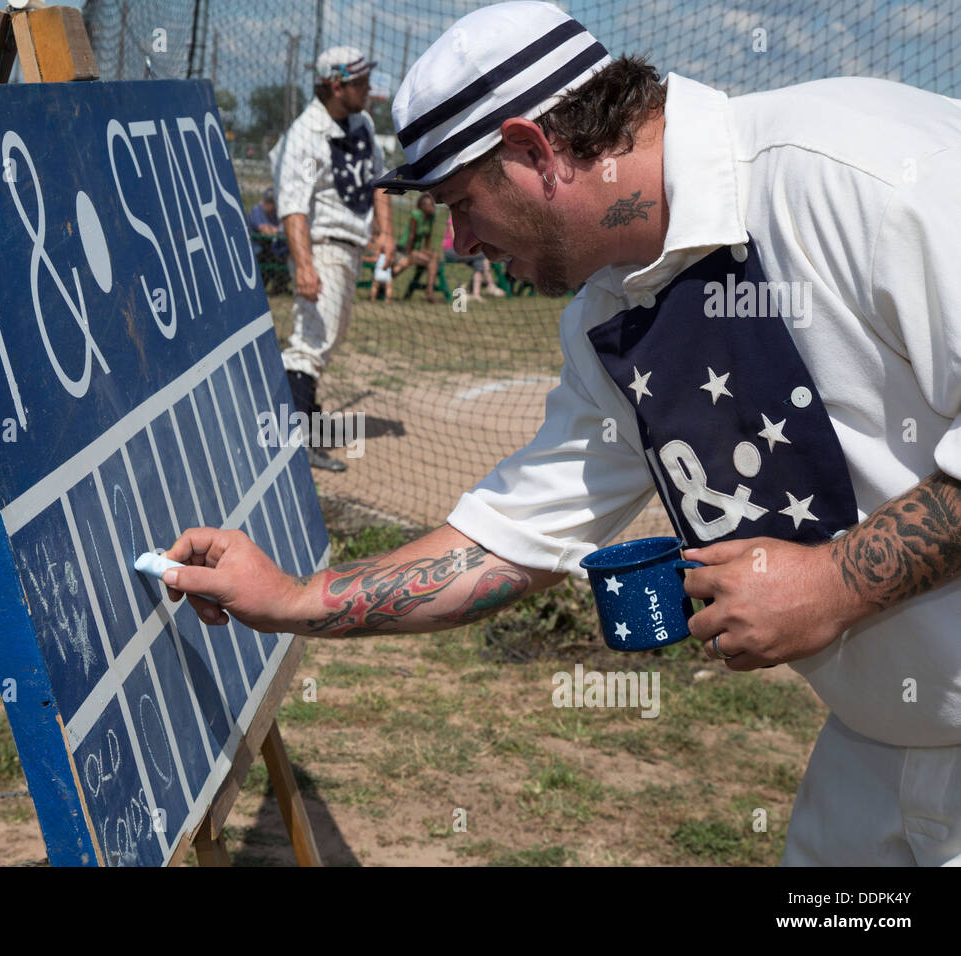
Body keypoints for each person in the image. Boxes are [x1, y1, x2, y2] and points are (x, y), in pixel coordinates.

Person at [160, 1, 961, 867]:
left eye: (462, 203)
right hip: (874, 755)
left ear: (534, 151)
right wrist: (290, 600)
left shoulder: (861, 173)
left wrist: (835, 584)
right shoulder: (607, 314)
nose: (460, 242)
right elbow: (513, 541)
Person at [269, 45, 393, 471]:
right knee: (310, 342)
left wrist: (386, 230)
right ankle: (296, 437)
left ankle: (306, 421)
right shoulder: (305, 136)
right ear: (335, 85)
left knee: (328, 338)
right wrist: (304, 265)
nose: (368, 89)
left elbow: (378, 179)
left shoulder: (362, 122)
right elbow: (294, 206)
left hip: (350, 247)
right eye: (360, 82)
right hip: (320, 247)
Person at [441, 218, 505, 302]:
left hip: (462, 250)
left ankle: (476, 294)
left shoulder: (467, 221)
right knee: (483, 255)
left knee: (479, 261)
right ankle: (490, 285)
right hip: (451, 251)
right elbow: (456, 241)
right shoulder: (453, 219)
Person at [392, 193, 440, 302]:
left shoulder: (431, 217)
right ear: (422, 206)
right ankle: (430, 291)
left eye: (433, 204)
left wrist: (427, 250)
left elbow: (428, 236)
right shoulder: (415, 215)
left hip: (417, 249)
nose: (433, 207)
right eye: (430, 205)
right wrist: (409, 254)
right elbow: (411, 236)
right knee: (431, 262)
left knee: (435, 256)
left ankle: (429, 289)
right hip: (405, 248)